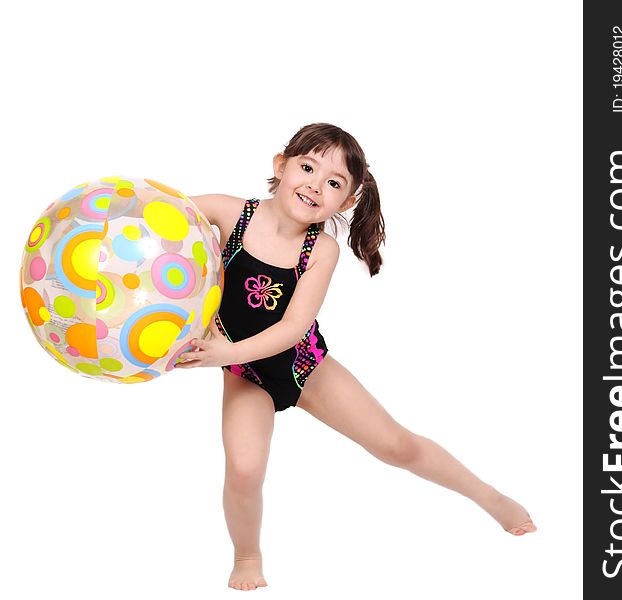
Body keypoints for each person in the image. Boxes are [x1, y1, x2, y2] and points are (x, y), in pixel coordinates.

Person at [176, 123, 536, 591]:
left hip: (303, 365)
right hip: (245, 373)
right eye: (306, 168)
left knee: (397, 446)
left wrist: (223, 351)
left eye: (333, 183)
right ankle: (247, 555)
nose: (313, 185)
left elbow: (292, 328)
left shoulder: (320, 249)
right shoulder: (229, 213)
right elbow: (164, 214)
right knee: (244, 470)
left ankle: (492, 498)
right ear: (280, 166)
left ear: (345, 203)